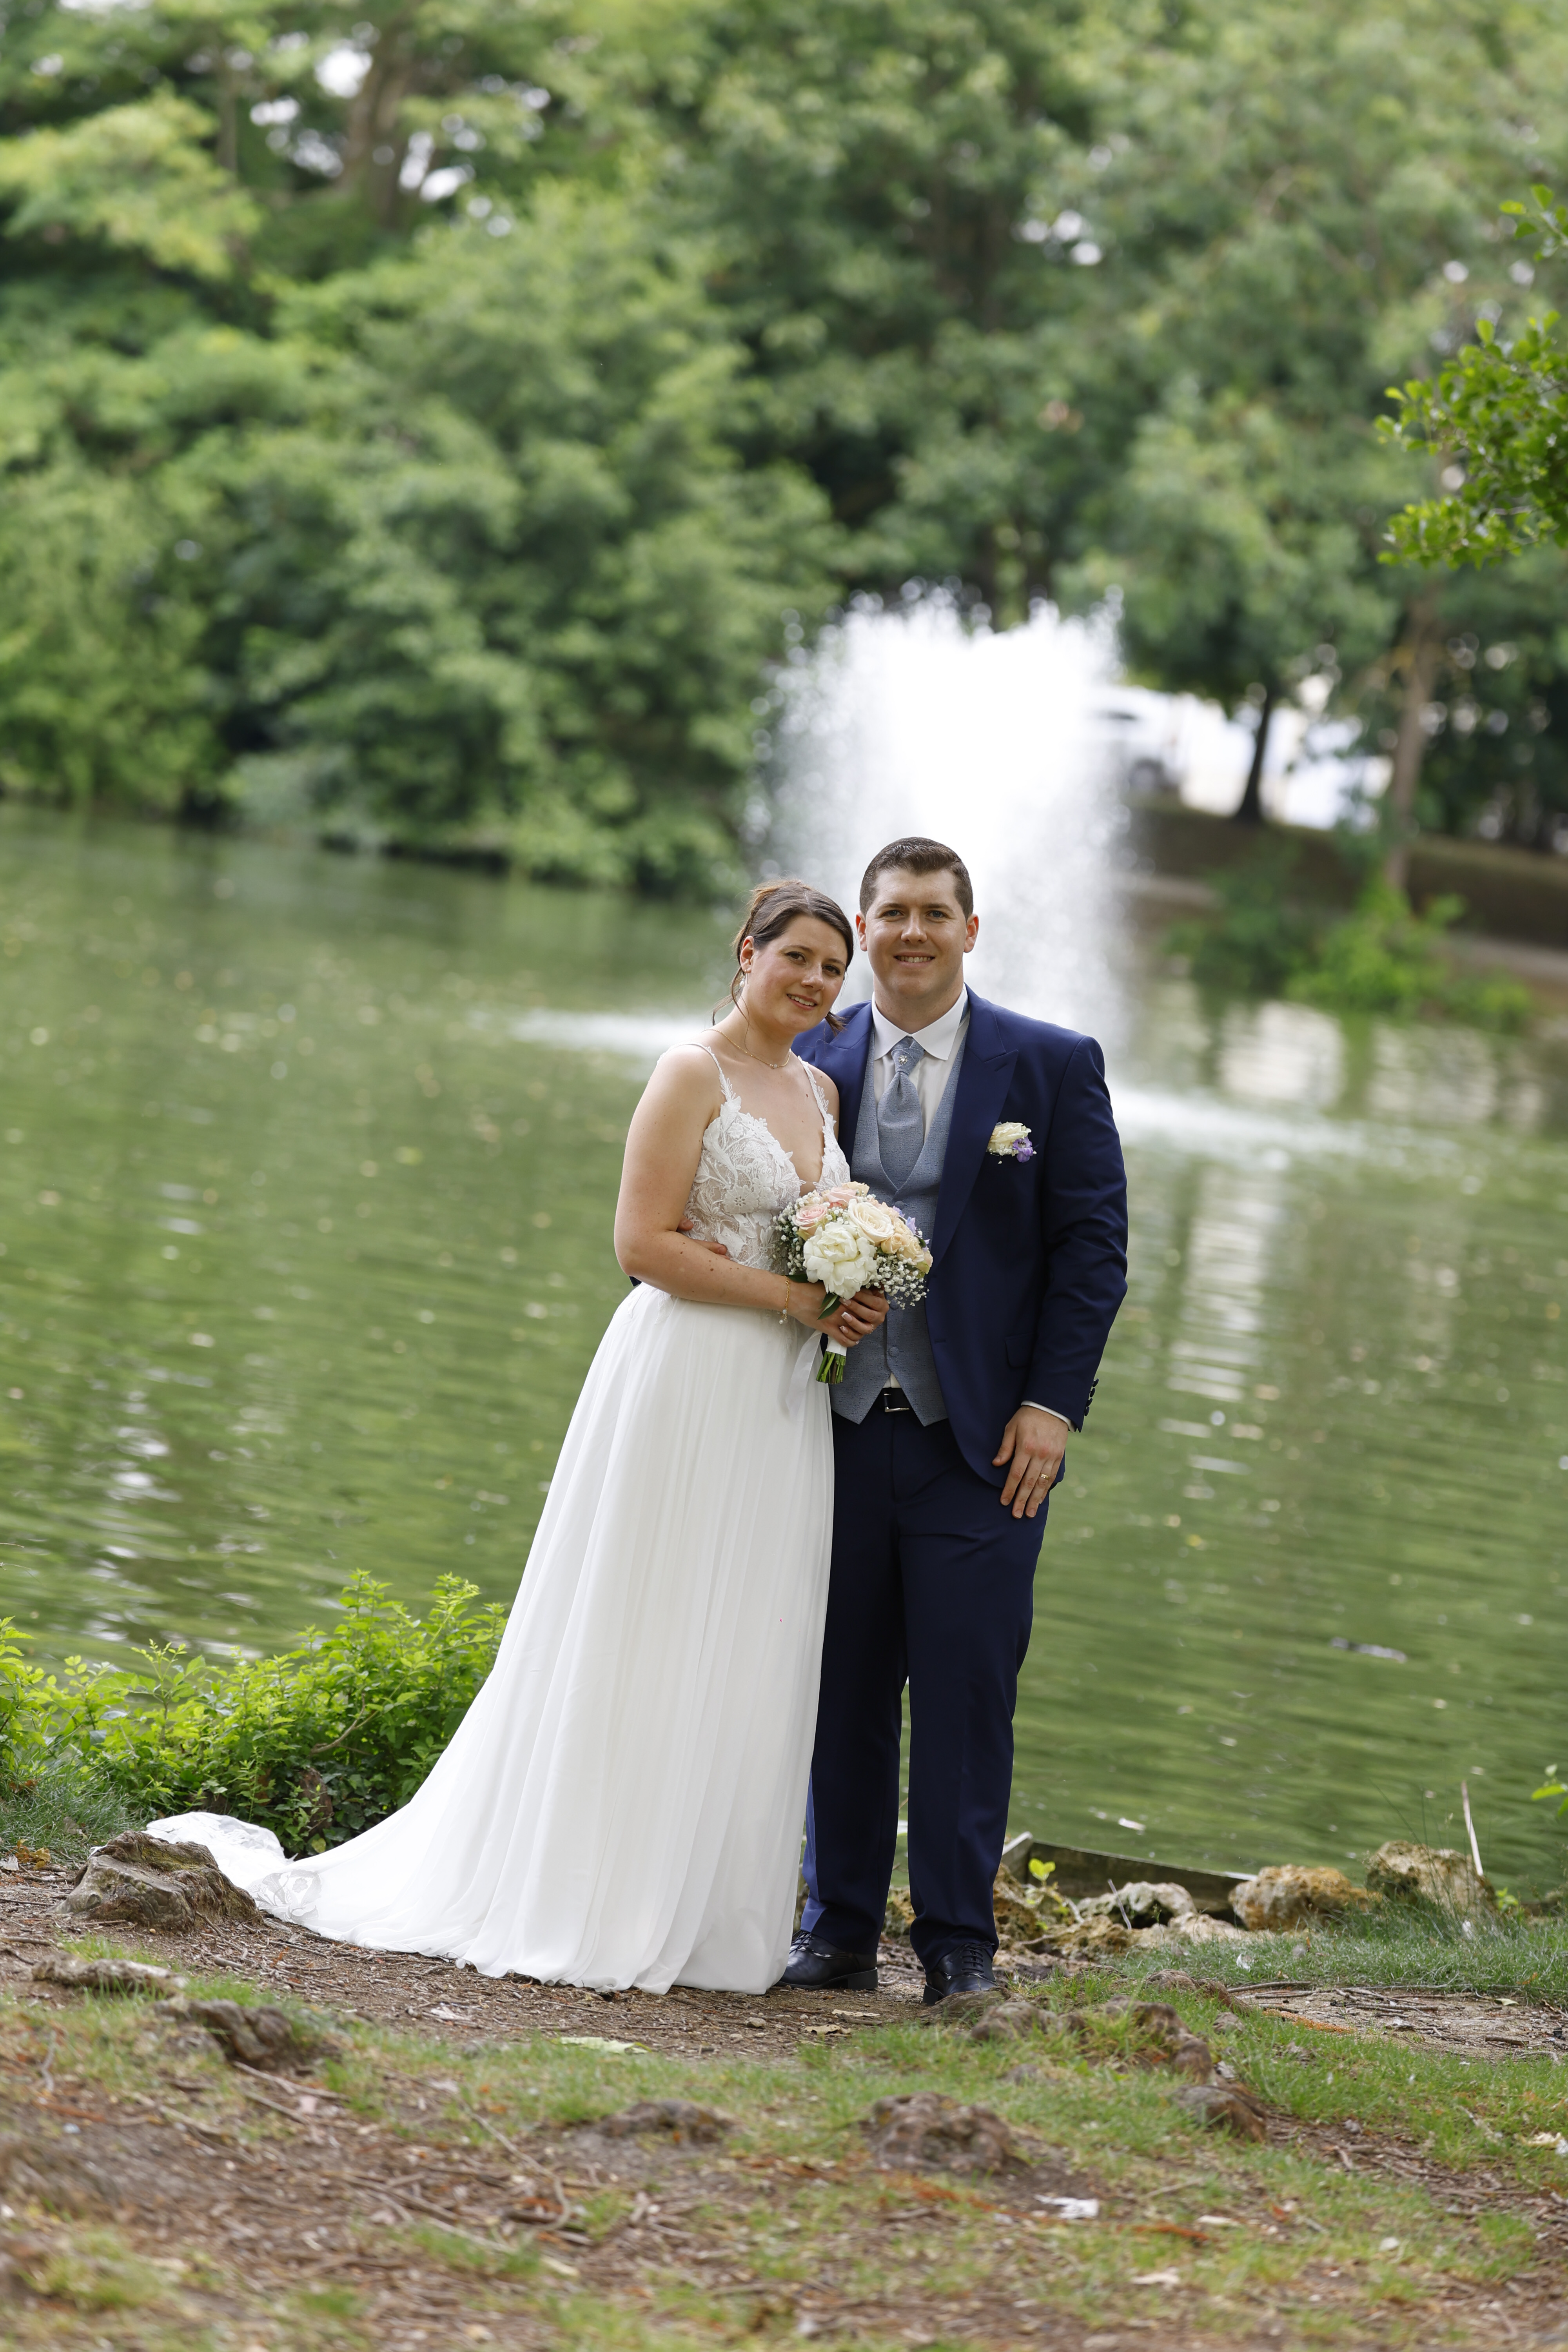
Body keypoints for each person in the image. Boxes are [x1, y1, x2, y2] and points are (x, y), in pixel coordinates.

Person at [151, 880, 887, 1996]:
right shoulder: (690, 1073)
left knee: (748, 1625)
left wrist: (846, 1292)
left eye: (834, 969)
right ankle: (591, 1892)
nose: (817, 982)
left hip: (782, 1406)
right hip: (687, 1374)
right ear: (748, 953)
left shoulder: (822, 1091)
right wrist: (794, 1299)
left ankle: (701, 1914)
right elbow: (641, 1244)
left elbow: (801, 1238)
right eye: (797, 957)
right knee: (644, 1616)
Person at [786, 837, 1128, 2005]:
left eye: (936, 913)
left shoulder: (1053, 1065)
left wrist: (1052, 1406)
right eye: (892, 913)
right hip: (825, 1426)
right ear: (865, 930)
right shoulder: (807, 1053)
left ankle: (956, 1946)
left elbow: (1092, 1254)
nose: (913, 933)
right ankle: (836, 1929)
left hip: (983, 1442)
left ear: (970, 931)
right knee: (840, 1684)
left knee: (968, 1692)